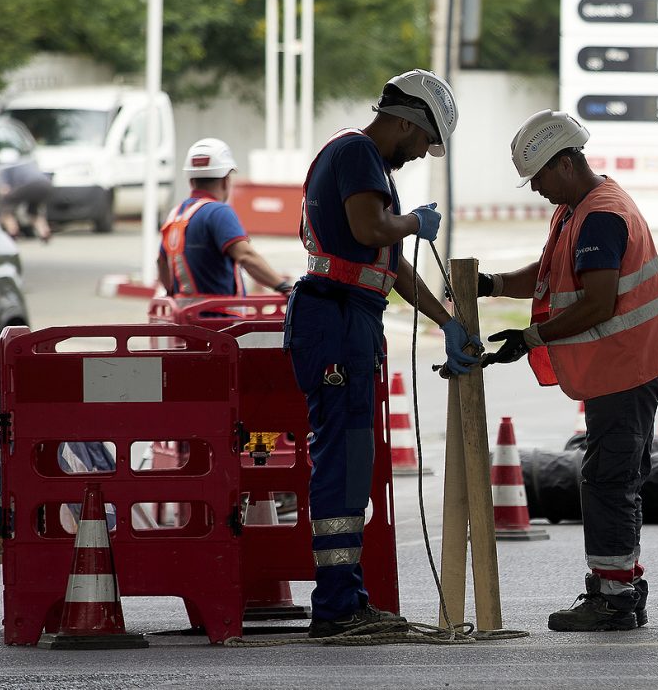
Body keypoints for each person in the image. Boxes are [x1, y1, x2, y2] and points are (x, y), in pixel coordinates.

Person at [283, 69, 480, 638]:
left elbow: (388, 266)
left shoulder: (363, 162)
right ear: (406, 122)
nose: (420, 154)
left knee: (350, 461)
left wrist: (447, 321)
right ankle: (337, 606)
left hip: (348, 317)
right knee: (342, 461)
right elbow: (372, 230)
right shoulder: (358, 153)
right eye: (423, 141)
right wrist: (413, 221)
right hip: (337, 320)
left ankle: (346, 599)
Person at [479, 110, 658, 632]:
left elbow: (596, 302)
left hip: (627, 366)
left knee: (608, 480)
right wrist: (493, 285)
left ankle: (613, 599)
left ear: (565, 163)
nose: (537, 189)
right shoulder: (578, 210)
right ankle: (622, 587)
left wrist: (531, 338)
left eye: (539, 177)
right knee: (617, 477)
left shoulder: (600, 216)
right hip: (626, 364)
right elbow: (550, 275)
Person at [157, 138, 293, 298]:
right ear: (225, 180)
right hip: (220, 312)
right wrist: (284, 287)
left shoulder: (175, 215)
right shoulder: (218, 212)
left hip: (183, 310)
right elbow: (246, 256)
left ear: (191, 180)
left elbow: (161, 262)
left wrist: (172, 294)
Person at [0, 159, 53, 242]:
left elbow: (5, 189)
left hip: (30, 184)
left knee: (6, 203)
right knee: (33, 211)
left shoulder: (6, 167)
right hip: (46, 183)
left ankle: (13, 232)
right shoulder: (28, 162)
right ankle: (44, 232)